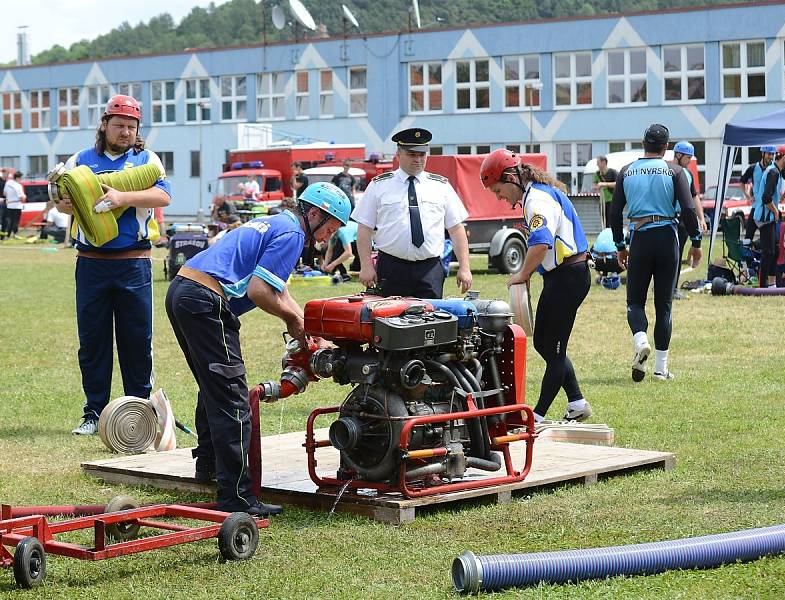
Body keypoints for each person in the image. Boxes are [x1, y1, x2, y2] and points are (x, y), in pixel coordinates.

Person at [165, 182, 351, 517]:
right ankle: (237, 498)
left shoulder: (280, 223)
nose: (329, 238)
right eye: (331, 229)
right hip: (206, 301)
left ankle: (208, 467)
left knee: (213, 391)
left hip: (184, 290)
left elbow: (281, 292)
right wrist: (295, 323)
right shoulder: (293, 234)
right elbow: (260, 291)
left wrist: (310, 329)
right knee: (234, 401)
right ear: (314, 214)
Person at [55, 95, 171, 435]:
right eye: (118, 125)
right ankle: (94, 414)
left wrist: (122, 197)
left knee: (137, 339)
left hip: (133, 262)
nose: (125, 132)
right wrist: (66, 203)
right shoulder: (79, 159)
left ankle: (138, 412)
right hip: (90, 262)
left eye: (131, 127)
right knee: (93, 340)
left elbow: (163, 196)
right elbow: (63, 204)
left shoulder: (146, 159)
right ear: (104, 124)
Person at [480, 149, 592, 423]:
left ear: (510, 178)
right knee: (544, 343)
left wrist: (521, 274)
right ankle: (577, 401)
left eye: (498, 190)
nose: (499, 197)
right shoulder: (536, 193)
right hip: (563, 276)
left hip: (568, 276)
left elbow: (541, 242)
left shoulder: (536, 200)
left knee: (553, 348)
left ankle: (537, 416)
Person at [610, 124, 702, 382]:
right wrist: (695, 241)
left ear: (643, 143)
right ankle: (661, 369)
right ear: (666, 147)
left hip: (639, 237)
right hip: (667, 237)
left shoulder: (626, 172)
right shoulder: (675, 171)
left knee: (635, 302)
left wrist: (619, 245)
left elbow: (615, 213)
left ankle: (641, 341)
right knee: (664, 306)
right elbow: (687, 208)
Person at [353, 127, 472, 298]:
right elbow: (364, 228)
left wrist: (464, 267)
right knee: (390, 320)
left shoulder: (441, 186)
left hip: (430, 269)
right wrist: (366, 266)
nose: (418, 160)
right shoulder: (379, 186)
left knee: (432, 320)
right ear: (398, 154)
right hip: (391, 267)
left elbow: (456, 229)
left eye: (422, 155)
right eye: (412, 154)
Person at [754, 145, 785, 288]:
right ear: (784, 157)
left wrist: (782, 197)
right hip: (764, 217)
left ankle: (772, 285)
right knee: (768, 252)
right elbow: (766, 198)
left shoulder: (778, 170)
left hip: (770, 217)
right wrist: (776, 211)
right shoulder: (773, 172)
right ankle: (762, 287)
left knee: (775, 251)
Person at [671, 141, 708, 299]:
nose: (689, 161)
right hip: (673, 218)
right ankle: (670, 289)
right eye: (687, 157)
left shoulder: (688, 174)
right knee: (673, 255)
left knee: (677, 255)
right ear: (678, 155)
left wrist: (701, 217)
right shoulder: (670, 171)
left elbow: (694, 197)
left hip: (684, 220)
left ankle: (671, 288)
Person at [740, 146, 785, 243]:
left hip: (770, 210)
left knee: (774, 241)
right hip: (757, 208)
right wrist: (748, 196)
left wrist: (783, 196)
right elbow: (742, 182)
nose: (771, 157)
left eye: (773, 154)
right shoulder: (753, 168)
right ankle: (747, 257)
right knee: (748, 237)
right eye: (769, 154)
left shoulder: (776, 169)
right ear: (762, 154)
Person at [592, 155, 617, 229]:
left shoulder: (613, 172)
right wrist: (597, 187)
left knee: (612, 220)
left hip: (612, 200)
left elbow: (617, 184)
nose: (597, 165)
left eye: (598, 163)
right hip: (602, 201)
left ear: (603, 162)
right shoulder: (597, 174)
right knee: (604, 221)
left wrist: (604, 184)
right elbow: (594, 186)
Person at [1, 171, 25, 240]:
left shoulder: (8, 183)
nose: (21, 180)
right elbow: (21, 197)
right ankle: (14, 235)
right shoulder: (18, 186)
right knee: (15, 221)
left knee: (9, 221)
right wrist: (25, 196)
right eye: (21, 178)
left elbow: (5, 193)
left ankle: (6, 235)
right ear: (17, 178)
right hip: (17, 205)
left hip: (9, 205)